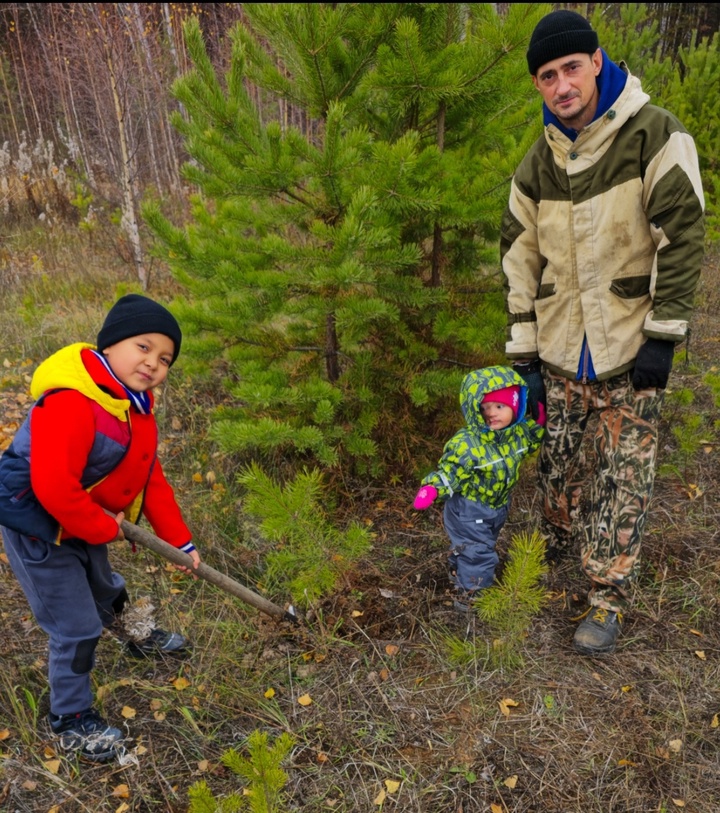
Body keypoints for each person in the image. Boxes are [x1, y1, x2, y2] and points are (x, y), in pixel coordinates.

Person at [501, 10, 705, 655]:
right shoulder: (537, 162)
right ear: (537, 85)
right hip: (562, 350)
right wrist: (525, 350)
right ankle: (554, 557)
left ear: (596, 61)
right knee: (559, 474)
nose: (561, 86)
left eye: (569, 68)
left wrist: (662, 337)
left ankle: (606, 600)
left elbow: (682, 239)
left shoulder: (654, 134)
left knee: (623, 479)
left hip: (627, 346)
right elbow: (519, 259)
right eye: (546, 76)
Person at [0, 294, 201, 762]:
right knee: (76, 625)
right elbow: (51, 485)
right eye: (143, 347)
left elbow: (149, 476)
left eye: (165, 358)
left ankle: (134, 631)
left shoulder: (134, 406)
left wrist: (180, 541)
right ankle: (70, 719)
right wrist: (102, 528)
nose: (153, 363)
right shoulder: (72, 401)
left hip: (82, 515)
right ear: (110, 344)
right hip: (37, 523)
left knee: (104, 582)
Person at [413, 366, 545, 610]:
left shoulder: (516, 434)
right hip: (468, 510)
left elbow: (530, 442)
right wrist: (432, 488)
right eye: (484, 408)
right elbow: (451, 471)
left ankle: (458, 566)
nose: (490, 414)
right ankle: (471, 597)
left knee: (479, 545)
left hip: (496, 507)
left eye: (499, 406)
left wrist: (540, 424)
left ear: (516, 406)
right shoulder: (467, 444)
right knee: (479, 553)